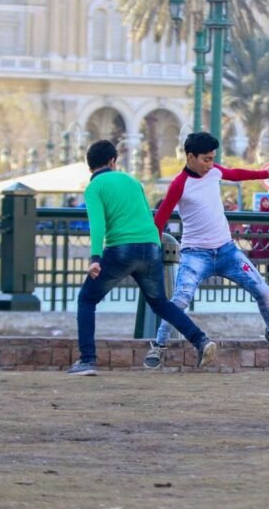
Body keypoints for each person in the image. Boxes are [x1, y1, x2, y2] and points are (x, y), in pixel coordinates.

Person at [70, 139, 218, 376]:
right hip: (151, 247)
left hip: (121, 248)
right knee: (160, 303)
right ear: (113, 161)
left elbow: (97, 224)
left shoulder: (94, 188)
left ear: (90, 168)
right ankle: (201, 341)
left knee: (87, 300)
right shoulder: (132, 181)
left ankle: (87, 360)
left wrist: (95, 257)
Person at [145, 133, 269, 369]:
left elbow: (236, 174)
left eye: (213, 159)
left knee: (263, 291)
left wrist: (265, 174)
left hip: (227, 252)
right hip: (194, 255)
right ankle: (158, 346)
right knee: (179, 300)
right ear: (190, 157)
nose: (210, 165)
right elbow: (160, 220)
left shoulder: (214, 172)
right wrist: (151, 248)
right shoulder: (179, 184)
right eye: (205, 159)